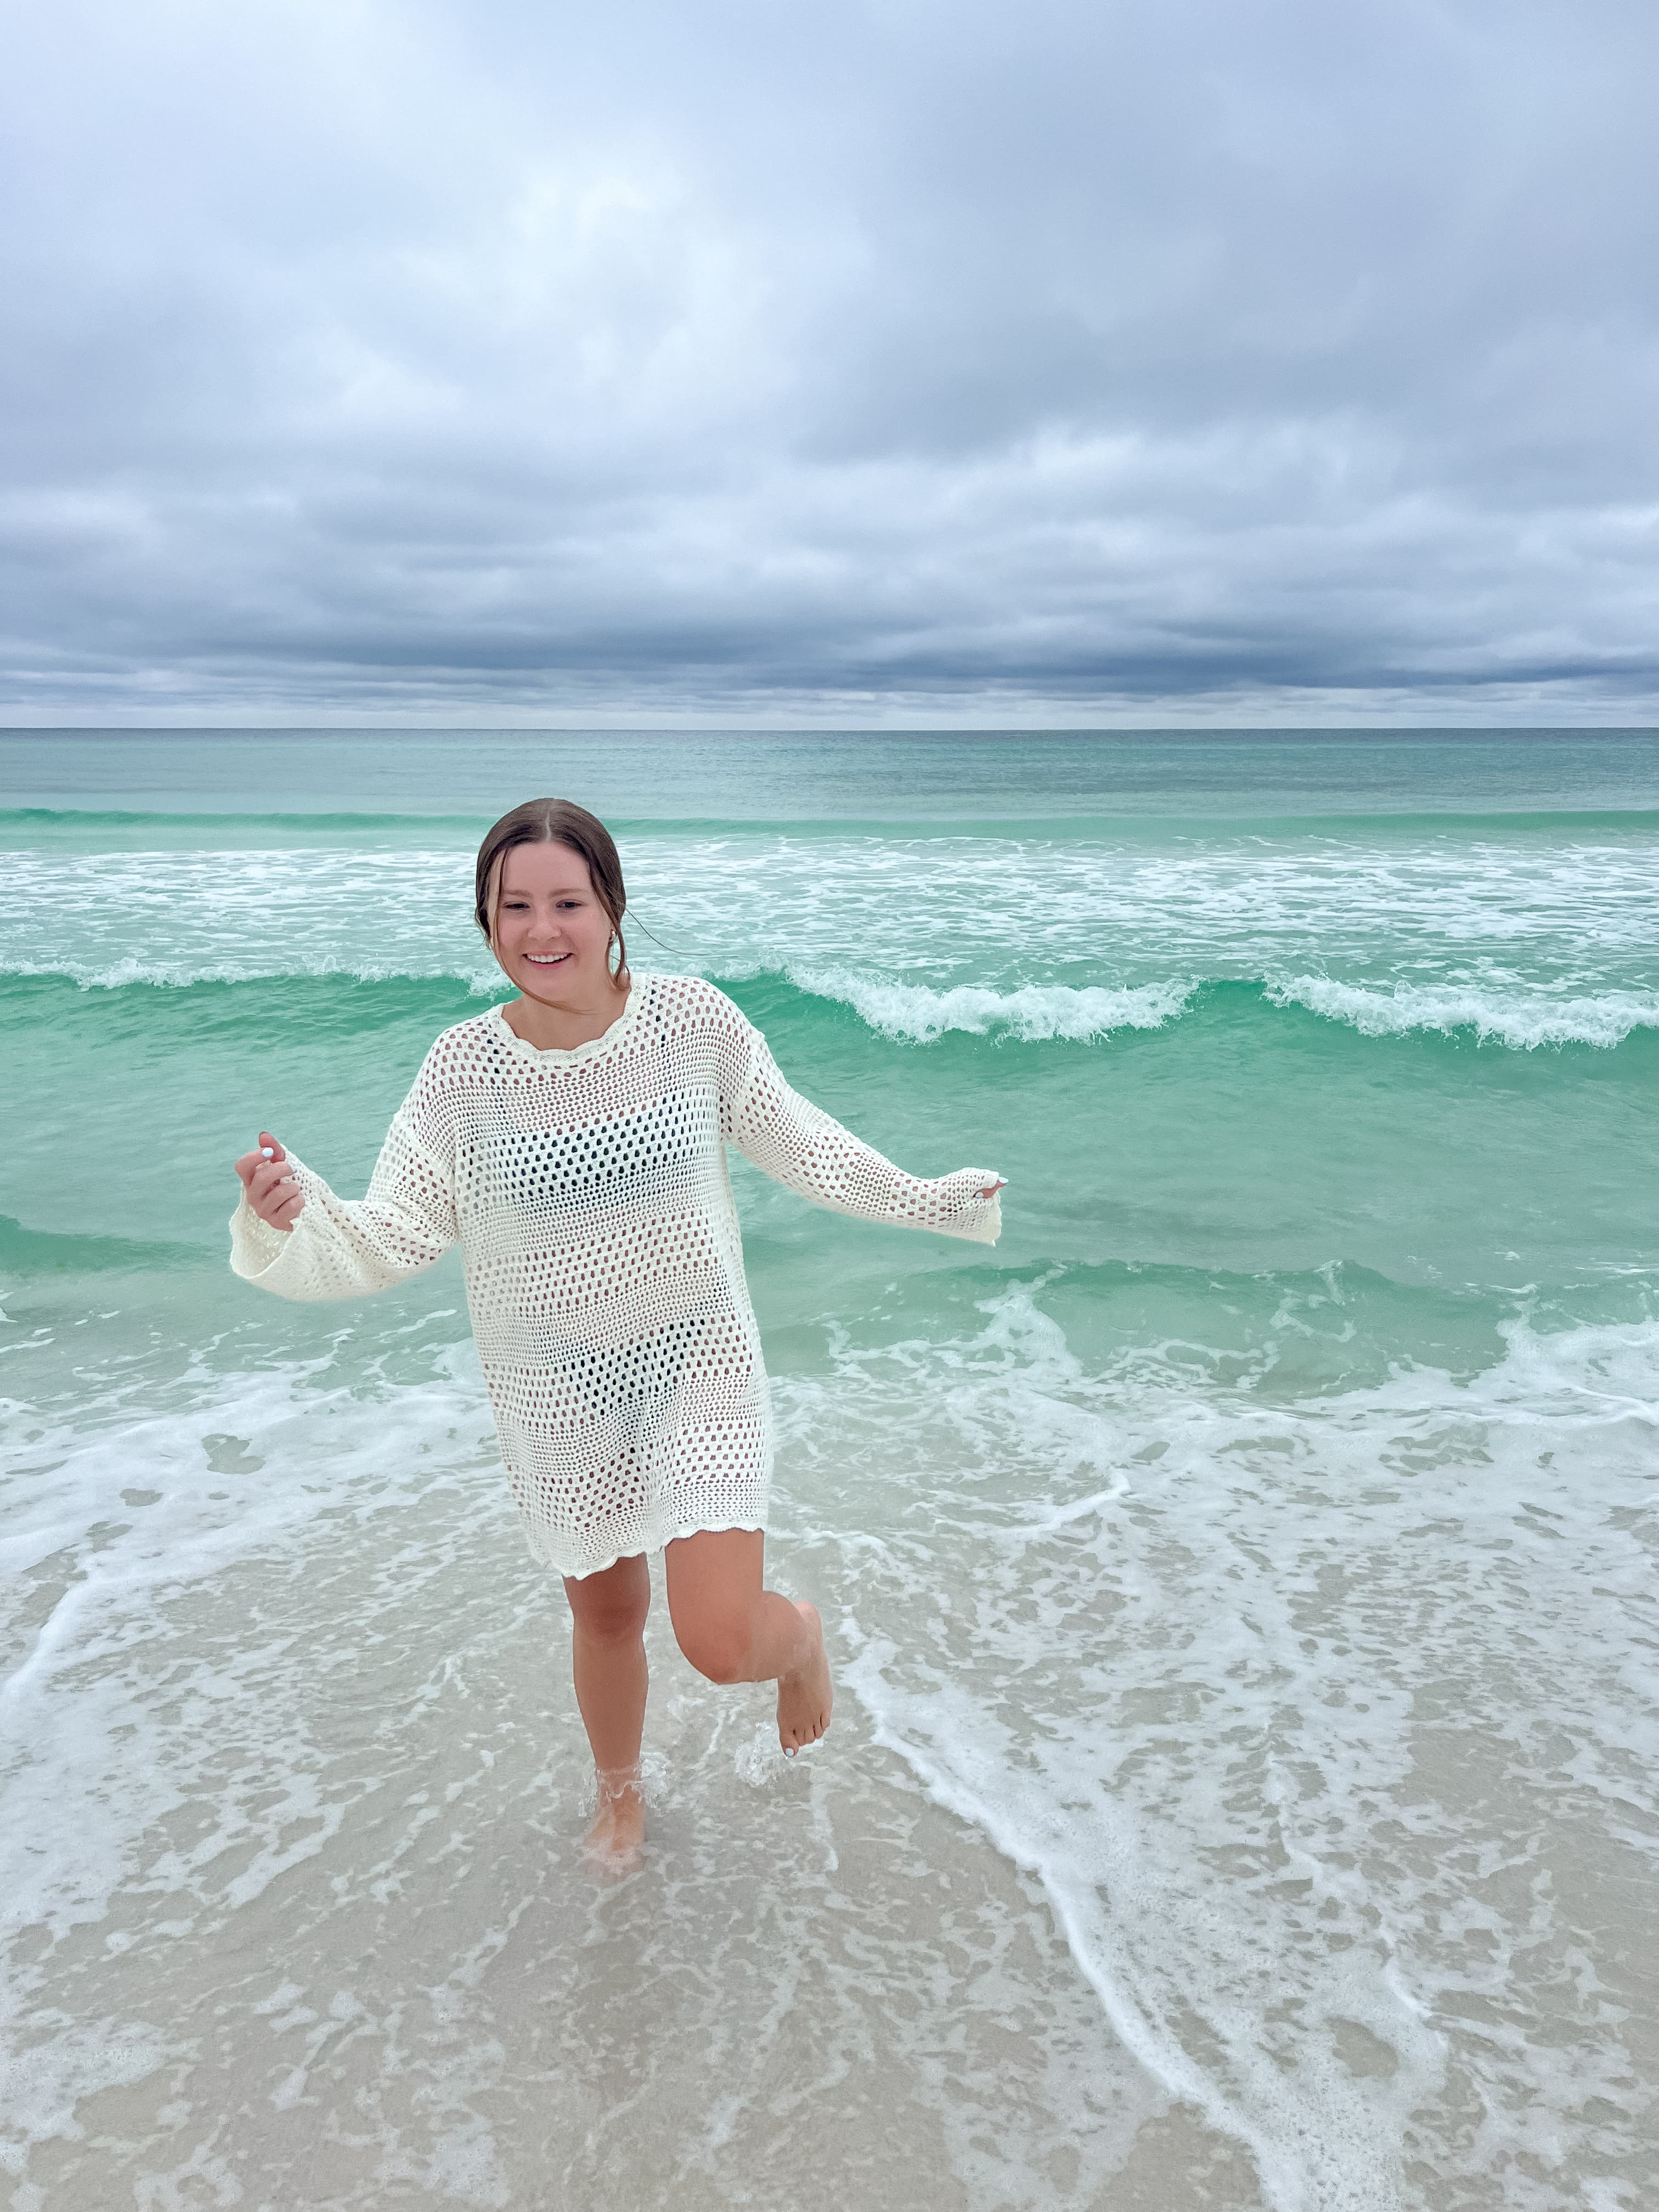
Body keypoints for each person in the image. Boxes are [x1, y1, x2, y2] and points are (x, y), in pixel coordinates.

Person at [231, 798, 1005, 1871]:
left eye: (567, 902)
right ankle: (621, 1796)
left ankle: (803, 1643)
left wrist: (932, 1199)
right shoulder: (462, 1072)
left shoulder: (693, 1024)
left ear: (611, 909)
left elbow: (805, 1146)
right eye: (515, 907)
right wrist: (298, 1210)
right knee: (606, 1614)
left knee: (718, 1639)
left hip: (697, 1359)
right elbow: (397, 1228)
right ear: (486, 921)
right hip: (558, 1380)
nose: (542, 931)